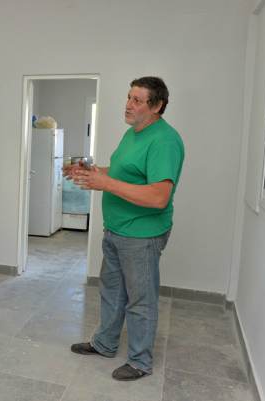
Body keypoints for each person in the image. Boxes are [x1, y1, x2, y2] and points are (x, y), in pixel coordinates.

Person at [64, 77, 184, 381]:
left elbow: (159, 196)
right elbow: (121, 174)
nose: (128, 105)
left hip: (142, 235)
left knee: (140, 299)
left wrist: (105, 183)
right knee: (112, 291)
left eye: (137, 100)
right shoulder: (133, 133)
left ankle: (140, 361)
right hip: (116, 230)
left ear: (157, 106)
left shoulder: (164, 141)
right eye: (129, 97)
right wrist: (92, 173)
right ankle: (104, 343)